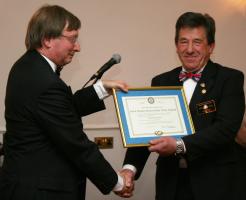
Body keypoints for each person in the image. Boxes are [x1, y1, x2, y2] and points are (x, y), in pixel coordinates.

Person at [0, 5, 133, 200]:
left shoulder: (29, 66)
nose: (77, 47)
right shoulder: (44, 81)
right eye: (72, 39)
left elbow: (61, 108)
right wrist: (117, 182)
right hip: (39, 191)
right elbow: (75, 143)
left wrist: (103, 88)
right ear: (47, 39)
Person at [121, 12, 245, 200]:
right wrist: (129, 169)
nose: (189, 49)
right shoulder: (161, 81)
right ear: (176, 46)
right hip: (170, 183)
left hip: (215, 183)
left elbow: (225, 129)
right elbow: (146, 132)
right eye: (183, 41)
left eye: (197, 42)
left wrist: (179, 145)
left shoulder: (230, 79)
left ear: (211, 46)